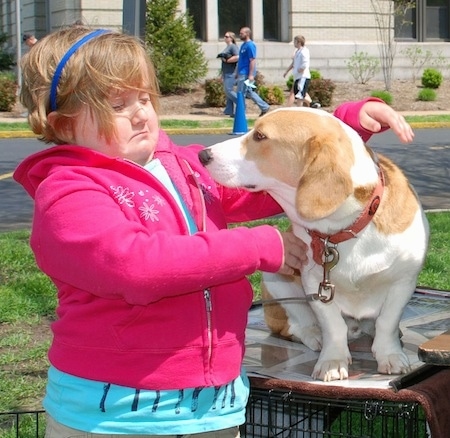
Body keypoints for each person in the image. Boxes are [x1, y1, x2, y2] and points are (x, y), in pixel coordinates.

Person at [13, 25, 413, 437]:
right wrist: (256, 245)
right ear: (63, 126)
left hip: (213, 407)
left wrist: (348, 126)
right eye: (117, 104)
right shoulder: (69, 192)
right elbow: (136, 267)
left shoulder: (183, 166)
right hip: (112, 415)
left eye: (145, 98)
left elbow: (273, 171)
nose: (140, 113)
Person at [236, 27, 270, 117]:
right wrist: (237, 72)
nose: (240, 35)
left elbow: (252, 60)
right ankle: (264, 107)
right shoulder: (243, 45)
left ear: (247, 34)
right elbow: (241, 60)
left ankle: (241, 113)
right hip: (242, 72)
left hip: (246, 73)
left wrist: (251, 74)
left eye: (242, 33)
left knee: (241, 92)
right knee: (248, 92)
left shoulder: (250, 45)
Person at [283, 35, 312, 107]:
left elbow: (305, 62)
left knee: (300, 95)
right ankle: (307, 106)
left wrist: (301, 68)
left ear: (299, 42)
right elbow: (294, 63)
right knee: (298, 94)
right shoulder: (297, 51)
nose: (294, 43)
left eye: (295, 42)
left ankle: (307, 106)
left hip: (303, 76)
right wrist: (287, 71)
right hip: (297, 77)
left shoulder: (304, 51)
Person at [217, 31, 239, 117]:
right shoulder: (228, 47)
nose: (225, 38)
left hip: (231, 72)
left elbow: (238, 57)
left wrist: (227, 60)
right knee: (227, 93)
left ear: (231, 38)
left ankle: (241, 104)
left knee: (228, 90)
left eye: (227, 36)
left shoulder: (233, 46)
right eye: (224, 36)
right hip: (226, 72)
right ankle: (229, 110)